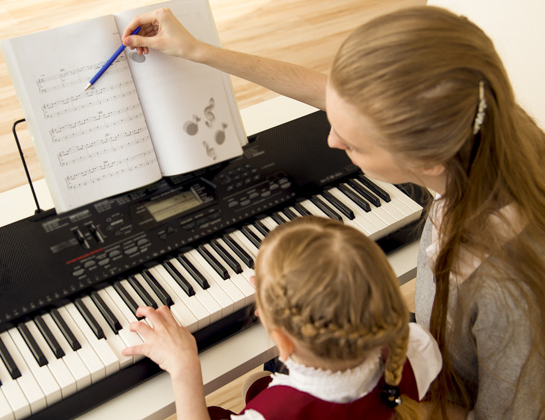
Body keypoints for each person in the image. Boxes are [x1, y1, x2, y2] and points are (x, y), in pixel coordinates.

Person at [121, 5, 545, 419]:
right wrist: (196, 50)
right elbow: (339, 96)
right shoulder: (482, 132)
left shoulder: (510, 293)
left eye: (354, 143)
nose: (331, 142)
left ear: (429, 162)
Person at [122, 216, 441, 419]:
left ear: (283, 340)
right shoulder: (413, 349)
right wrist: (289, 294)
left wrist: (184, 366)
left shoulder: (275, 413)